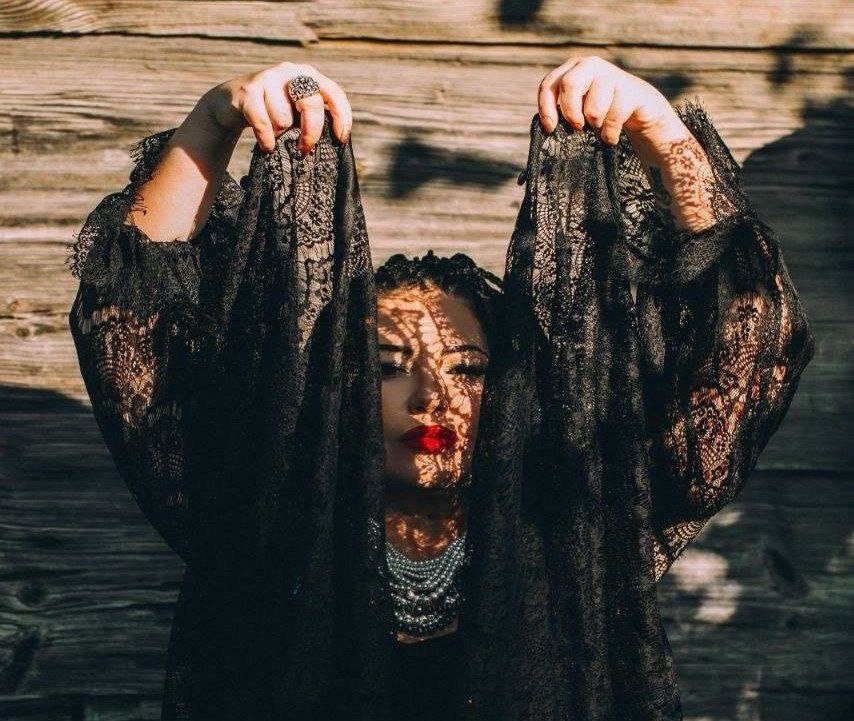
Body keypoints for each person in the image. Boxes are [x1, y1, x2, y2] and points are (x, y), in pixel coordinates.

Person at [67, 57, 815, 720]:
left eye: (469, 369)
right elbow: (126, 318)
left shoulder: (579, 527)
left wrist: (656, 126)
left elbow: (753, 341)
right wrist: (213, 120)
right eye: (389, 366)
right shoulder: (269, 519)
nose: (433, 395)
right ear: (341, 387)